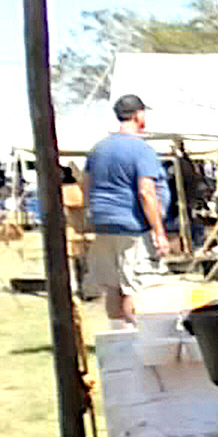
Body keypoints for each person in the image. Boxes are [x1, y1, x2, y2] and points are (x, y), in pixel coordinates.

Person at [80, 95, 169, 325]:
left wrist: (93, 213)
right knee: (134, 288)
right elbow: (146, 192)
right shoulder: (141, 149)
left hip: (102, 224)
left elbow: (86, 186)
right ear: (138, 115)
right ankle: (135, 336)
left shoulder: (98, 149)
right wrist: (159, 232)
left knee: (112, 287)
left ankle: (118, 339)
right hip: (132, 226)